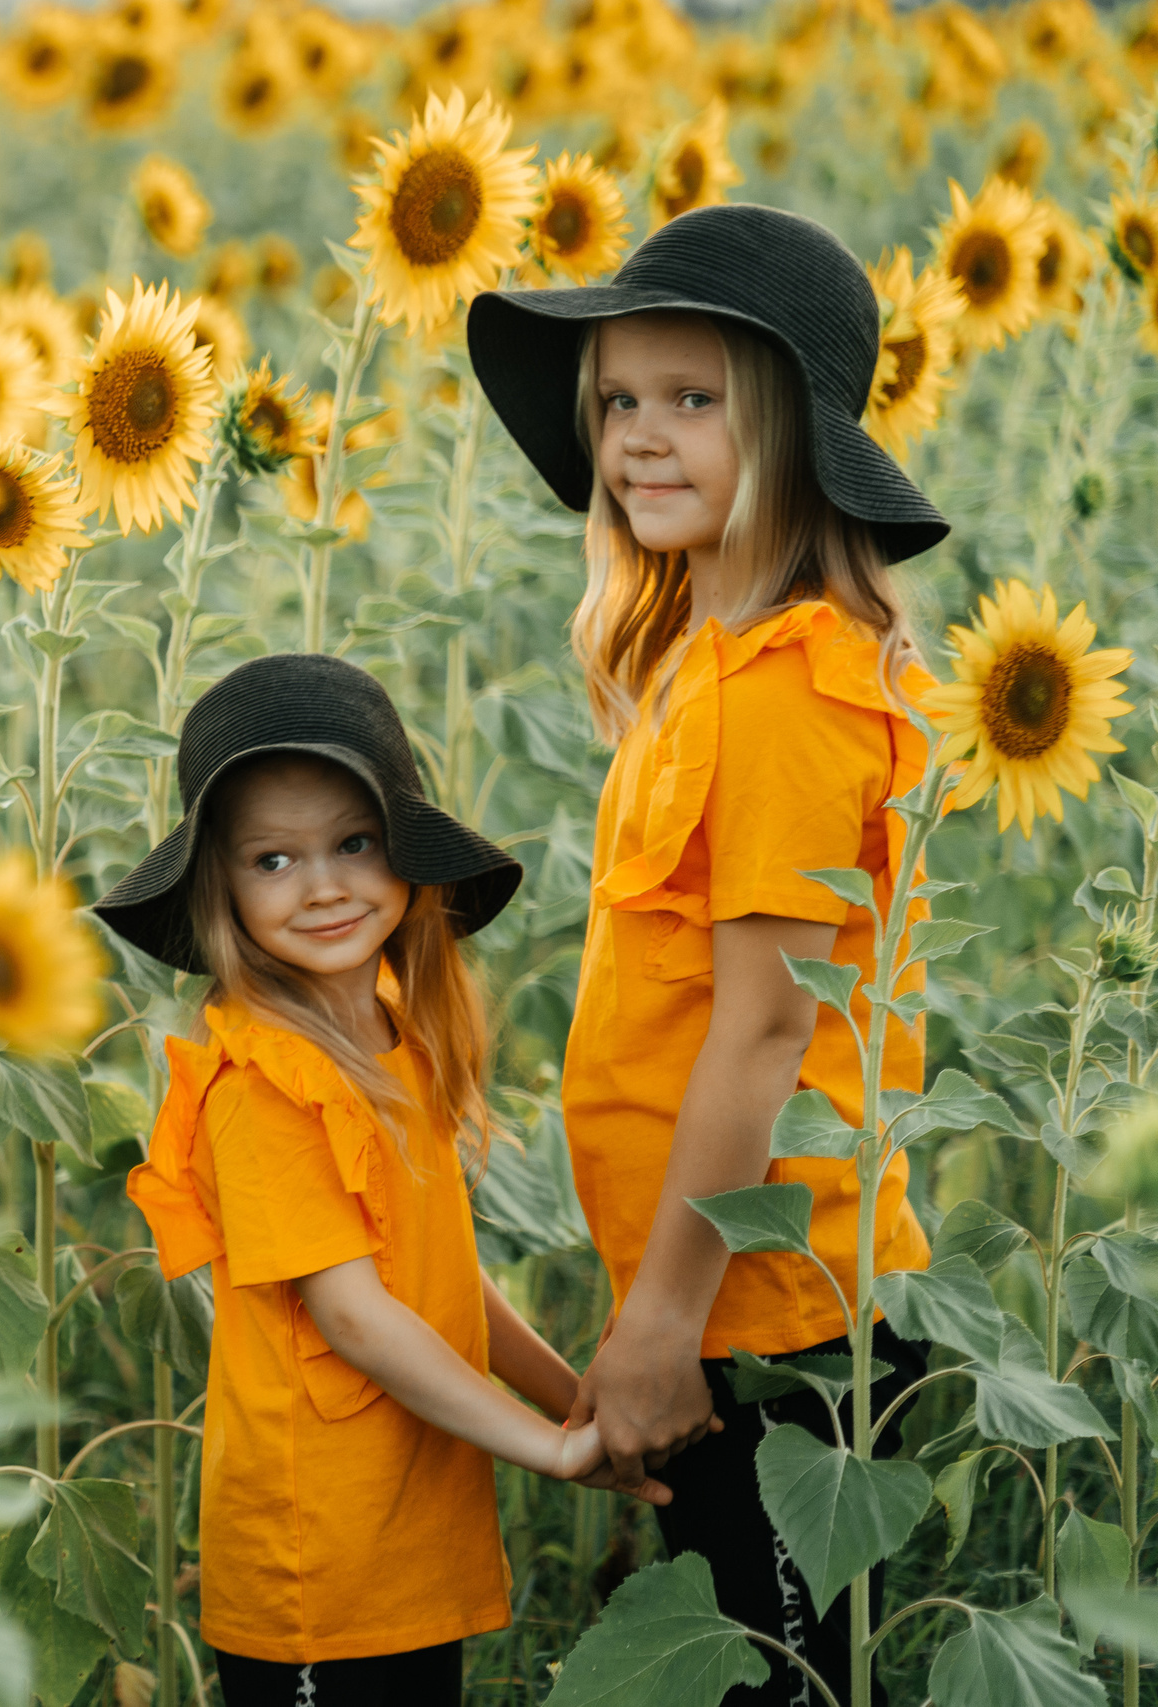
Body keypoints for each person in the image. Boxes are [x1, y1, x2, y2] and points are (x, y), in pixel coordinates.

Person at [465, 202, 946, 1705]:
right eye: (619, 399)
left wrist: (665, 1322)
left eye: (693, 400)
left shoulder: (793, 687)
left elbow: (761, 1032)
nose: (638, 438)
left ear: (794, 438)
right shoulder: (704, 657)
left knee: (782, 1676)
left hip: (781, 1321)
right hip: (721, 1294)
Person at [97, 654, 669, 1707]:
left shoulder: (394, 1039)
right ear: (219, 889)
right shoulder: (262, 1082)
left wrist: (570, 1398)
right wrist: (546, 1451)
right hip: (318, 1559)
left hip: (406, 1539)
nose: (322, 886)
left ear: (403, 853)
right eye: (272, 861)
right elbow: (356, 1316)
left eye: (353, 844)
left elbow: (436, 1273)